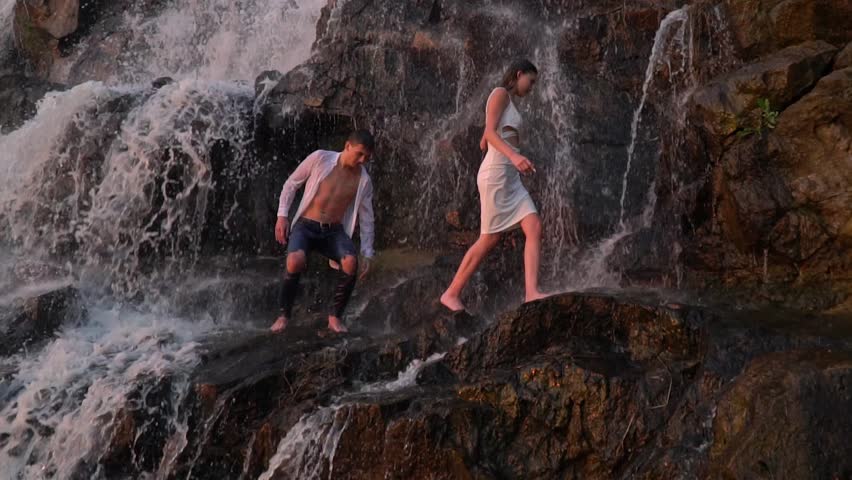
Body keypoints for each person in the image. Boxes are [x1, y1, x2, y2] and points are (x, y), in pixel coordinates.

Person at [440, 59, 547, 312]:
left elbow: (487, 137)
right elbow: (489, 132)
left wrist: (512, 155)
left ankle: (532, 292)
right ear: (518, 74)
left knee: (533, 225)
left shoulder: (508, 103)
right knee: (488, 239)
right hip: (496, 175)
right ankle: (451, 293)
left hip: (509, 176)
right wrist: (514, 156)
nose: (531, 88)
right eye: (530, 81)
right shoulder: (499, 93)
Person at [270, 130, 376, 333]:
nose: (362, 160)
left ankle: (335, 317)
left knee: (351, 262)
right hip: (306, 225)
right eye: (360, 154)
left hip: (333, 231)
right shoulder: (320, 158)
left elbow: (367, 218)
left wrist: (368, 252)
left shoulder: (364, 181)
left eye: (367, 157)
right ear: (347, 146)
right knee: (294, 261)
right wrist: (282, 216)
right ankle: (283, 315)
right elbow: (292, 183)